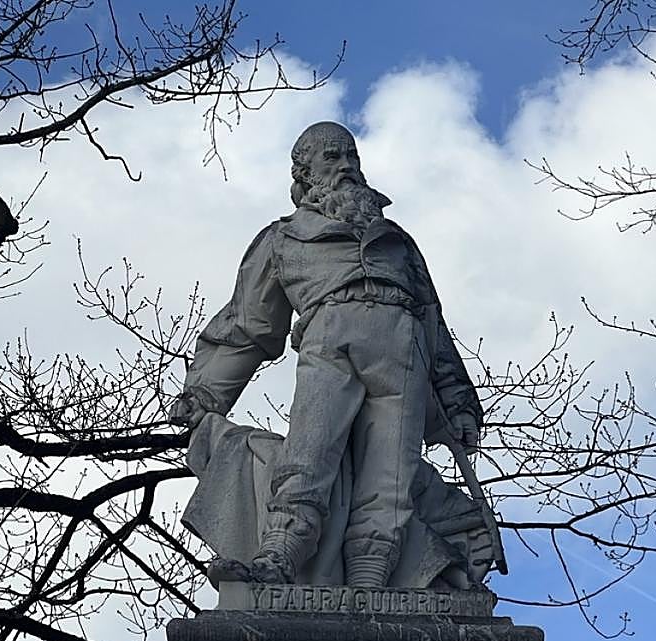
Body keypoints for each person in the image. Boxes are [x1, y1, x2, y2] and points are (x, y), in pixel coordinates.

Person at [171, 121, 482, 587]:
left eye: (352, 156)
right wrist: (204, 393)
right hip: (330, 340)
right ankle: (279, 555)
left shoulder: (397, 241)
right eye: (332, 157)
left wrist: (458, 402)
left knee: (390, 480)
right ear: (305, 171)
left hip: (403, 351)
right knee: (308, 456)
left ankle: (371, 579)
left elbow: (434, 323)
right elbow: (247, 323)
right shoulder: (282, 239)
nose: (346, 166)